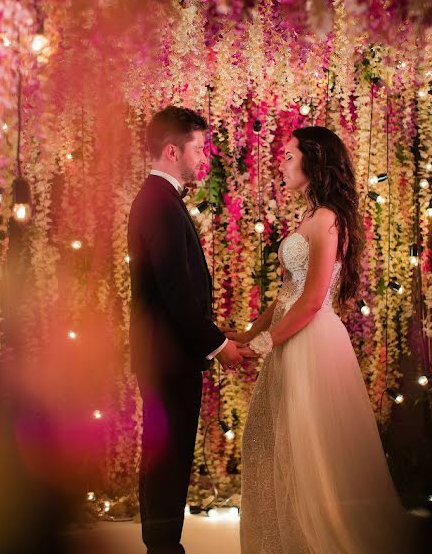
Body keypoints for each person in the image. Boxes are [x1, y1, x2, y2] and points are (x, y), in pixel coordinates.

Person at [232, 126, 415, 553]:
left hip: (310, 341)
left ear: (314, 161)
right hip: (289, 338)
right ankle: (282, 539)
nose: (282, 162)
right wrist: (248, 332)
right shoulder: (310, 216)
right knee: (270, 439)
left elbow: (313, 300)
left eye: (289, 155)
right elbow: (286, 293)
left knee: (305, 449)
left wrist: (265, 343)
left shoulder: (329, 219)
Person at [127, 105, 251, 554]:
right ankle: (162, 548)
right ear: (171, 150)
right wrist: (220, 346)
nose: (204, 157)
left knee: (169, 457)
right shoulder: (158, 203)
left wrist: (222, 334)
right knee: (167, 459)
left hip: (168, 352)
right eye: (199, 148)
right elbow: (176, 292)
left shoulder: (161, 200)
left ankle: (163, 546)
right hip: (167, 355)